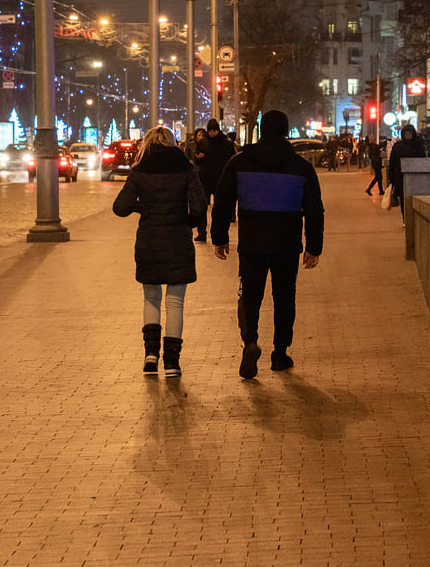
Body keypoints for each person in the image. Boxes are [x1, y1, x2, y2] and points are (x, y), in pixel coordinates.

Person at [211, 110, 324, 379]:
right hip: (287, 245)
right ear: (286, 131)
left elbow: (223, 201)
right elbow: (314, 209)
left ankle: (250, 341)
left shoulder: (239, 163)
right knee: (284, 298)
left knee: (250, 297)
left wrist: (220, 237)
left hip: (251, 245)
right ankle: (280, 354)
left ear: (261, 130)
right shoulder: (301, 167)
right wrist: (314, 247)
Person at [112, 126, 206, 377]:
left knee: (151, 297)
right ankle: (172, 362)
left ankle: (150, 356)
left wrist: (143, 208)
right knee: (175, 302)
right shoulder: (187, 169)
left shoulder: (139, 172)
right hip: (178, 240)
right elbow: (199, 205)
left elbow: (120, 207)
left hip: (149, 241)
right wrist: (188, 221)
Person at [194, 119, 235, 242]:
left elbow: (231, 160)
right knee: (202, 207)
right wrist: (198, 158)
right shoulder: (203, 143)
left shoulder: (226, 143)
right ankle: (202, 232)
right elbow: (197, 159)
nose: (212, 133)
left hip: (220, 179)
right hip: (206, 179)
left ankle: (218, 234)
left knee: (219, 209)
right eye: (210, 131)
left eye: (214, 131)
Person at [387, 123, 426, 221]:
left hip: (415, 178)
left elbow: (423, 161)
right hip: (400, 178)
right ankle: (405, 218)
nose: (408, 136)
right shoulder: (398, 146)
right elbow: (392, 162)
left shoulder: (418, 146)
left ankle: (413, 218)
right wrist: (390, 178)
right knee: (403, 199)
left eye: (409, 134)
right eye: (406, 134)